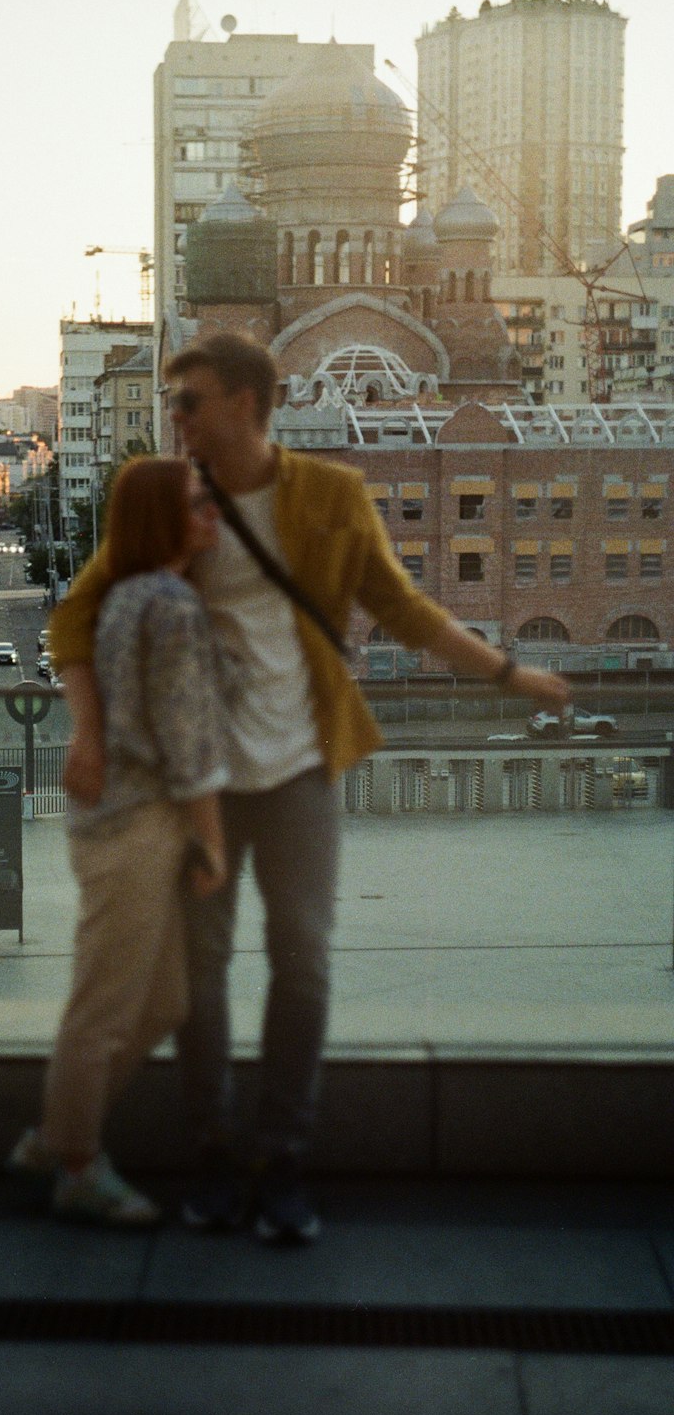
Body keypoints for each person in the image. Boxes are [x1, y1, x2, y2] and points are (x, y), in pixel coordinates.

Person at [51, 332, 572, 1245]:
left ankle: (281, 1156)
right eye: (174, 402)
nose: (175, 418)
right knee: (202, 978)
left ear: (248, 403)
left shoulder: (329, 493)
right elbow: (77, 615)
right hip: (200, 785)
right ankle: (214, 1156)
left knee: (306, 962)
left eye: (190, 400)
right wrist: (88, 731)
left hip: (298, 768)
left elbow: (405, 609)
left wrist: (506, 673)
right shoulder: (179, 502)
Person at [9, 456, 229, 1226]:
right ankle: (76, 1163)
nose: (213, 517)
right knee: (102, 1006)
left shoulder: (131, 596)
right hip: (135, 823)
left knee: (165, 996)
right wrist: (212, 838)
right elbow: (187, 739)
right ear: (164, 519)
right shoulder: (169, 604)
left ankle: (59, 1135)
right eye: (198, 506)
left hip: (126, 819)